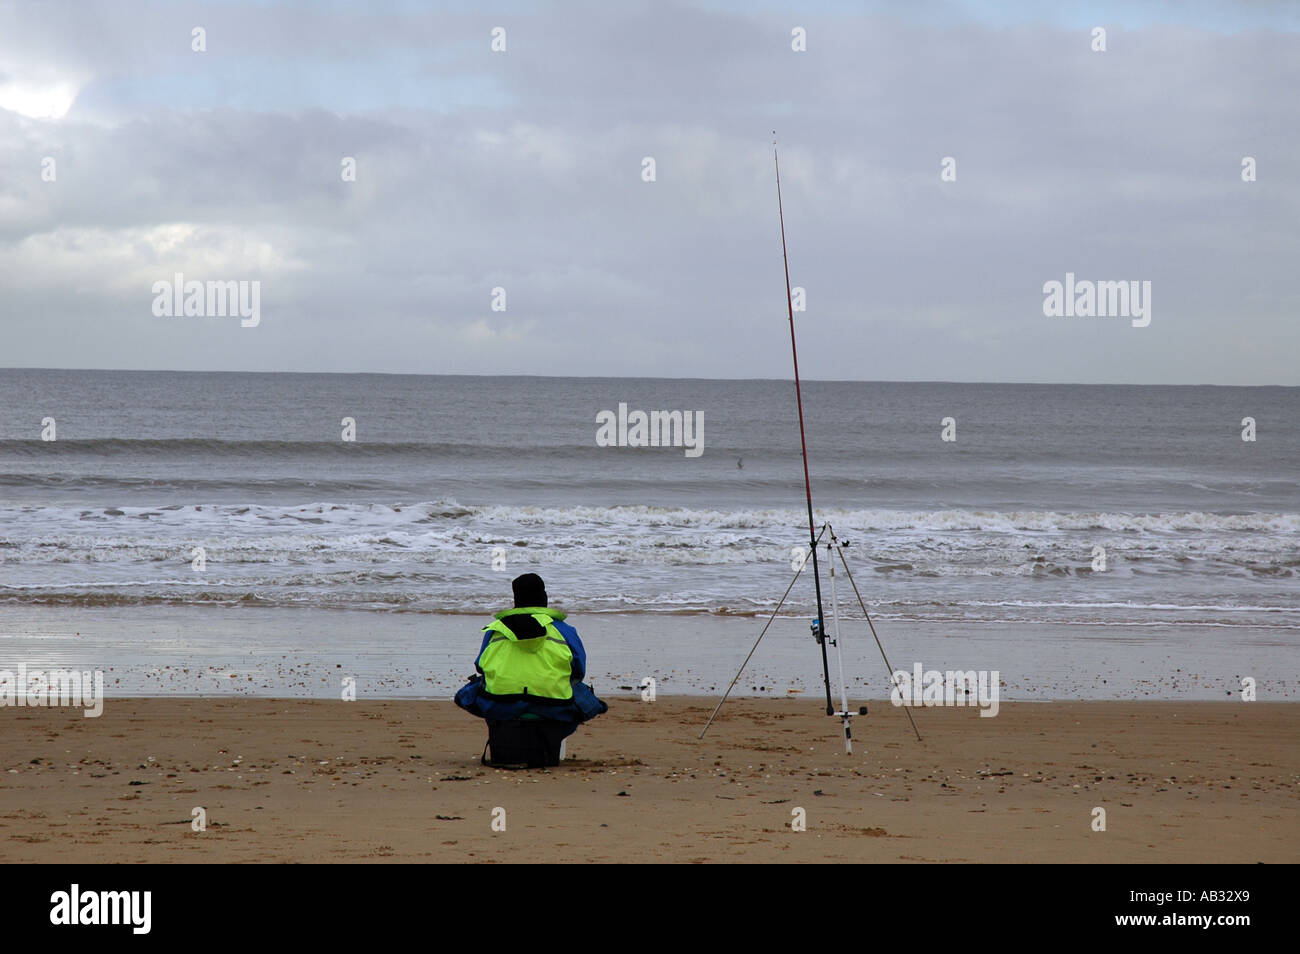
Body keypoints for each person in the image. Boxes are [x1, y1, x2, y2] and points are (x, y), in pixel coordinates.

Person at [454, 573, 606, 763]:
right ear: (544, 597)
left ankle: (506, 730)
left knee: (471, 691)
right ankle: (552, 740)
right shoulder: (564, 629)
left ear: (515, 599)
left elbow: (481, 667)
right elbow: (578, 671)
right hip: (554, 708)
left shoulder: (495, 630)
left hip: (499, 706)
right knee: (585, 695)